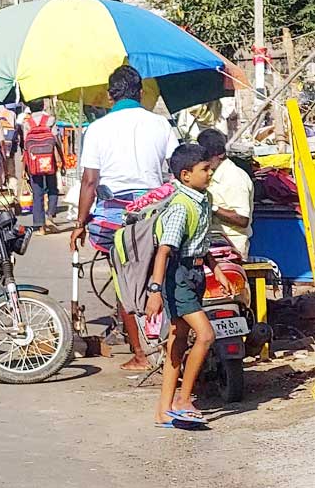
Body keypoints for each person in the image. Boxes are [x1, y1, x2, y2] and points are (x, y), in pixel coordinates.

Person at [70, 65, 179, 371]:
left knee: (123, 281)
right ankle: (171, 345)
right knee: (160, 274)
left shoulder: (97, 129)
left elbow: (90, 181)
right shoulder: (161, 125)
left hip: (115, 216)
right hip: (155, 212)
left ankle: (141, 354)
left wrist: (80, 224)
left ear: (109, 95)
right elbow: (178, 168)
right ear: (141, 93)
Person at [147, 144, 236, 427]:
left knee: (178, 338)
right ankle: (184, 400)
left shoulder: (203, 199)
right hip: (178, 276)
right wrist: (155, 291)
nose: (210, 173)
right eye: (205, 170)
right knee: (206, 335)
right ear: (185, 175)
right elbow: (164, 251)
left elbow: (200, 242)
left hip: (195, 272)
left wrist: (217, 269)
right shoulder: (180, 207)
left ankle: (164, 410)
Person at [197, 128, 254, 258]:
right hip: (213, 242)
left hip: (232, 247)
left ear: (220, 154)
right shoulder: (212, 174)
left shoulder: (234, 177)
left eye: (207, 157)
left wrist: (212, 207)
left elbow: (242, 219)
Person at [21, 99, 65, 235]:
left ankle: (40, 226)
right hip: (49, 159)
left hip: (33, 161)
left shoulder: (27, 123)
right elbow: (56, 139)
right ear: (43, 106)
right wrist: (61, 159)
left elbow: (25, 145)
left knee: (37, 192)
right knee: (52, 187)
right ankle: (50, 215)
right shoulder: (50, 119)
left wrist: (24, 167)